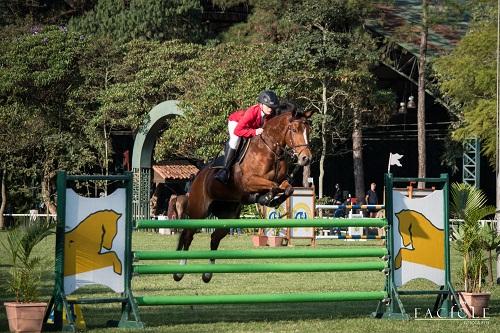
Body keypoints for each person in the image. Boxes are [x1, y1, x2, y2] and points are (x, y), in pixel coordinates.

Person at [214, 90, 280, 184]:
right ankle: (225, 170)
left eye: (272, 107)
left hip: (251, 126)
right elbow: (238, 131)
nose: (271, 109)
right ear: (261, 105)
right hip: (236, 123)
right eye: (268, 106)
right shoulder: (252, 112)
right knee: (235, 140)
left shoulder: (270, 114)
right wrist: (254, 131)